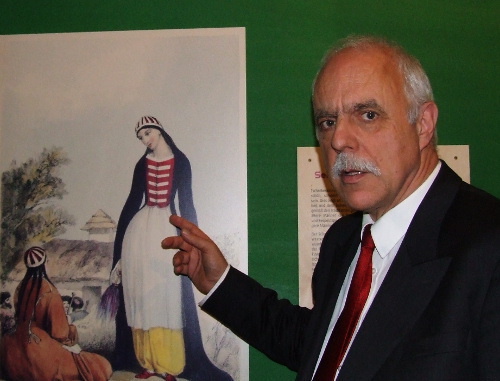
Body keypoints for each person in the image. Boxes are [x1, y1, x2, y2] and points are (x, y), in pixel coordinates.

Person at [161, 35, 500, 380]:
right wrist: (221, 282)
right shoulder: (344, 239)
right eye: (327, 122)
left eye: (368, 114)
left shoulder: (488, 245)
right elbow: (327, 349)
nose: (338, 140)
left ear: (423, 124)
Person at [111, 116, 232, 381]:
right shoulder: (142, 164)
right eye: (141, 137)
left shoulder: (182, 162)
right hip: (138, 233)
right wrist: (118, 252)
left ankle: (170, 366)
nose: (145, 140)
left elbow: (187, 203)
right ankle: (146, 363)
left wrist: (195, 241)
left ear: (159, 130)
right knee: (140, 298)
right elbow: (133, 200)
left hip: (166, 228)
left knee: (165, 297)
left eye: (148, 133)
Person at [1, 246, 112, 381]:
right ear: (44, 264)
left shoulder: (20, 288)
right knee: (98, 365)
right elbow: (59, 333)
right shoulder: (49, 291)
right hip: (40, 350)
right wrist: (72, 330)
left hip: (14, 348)